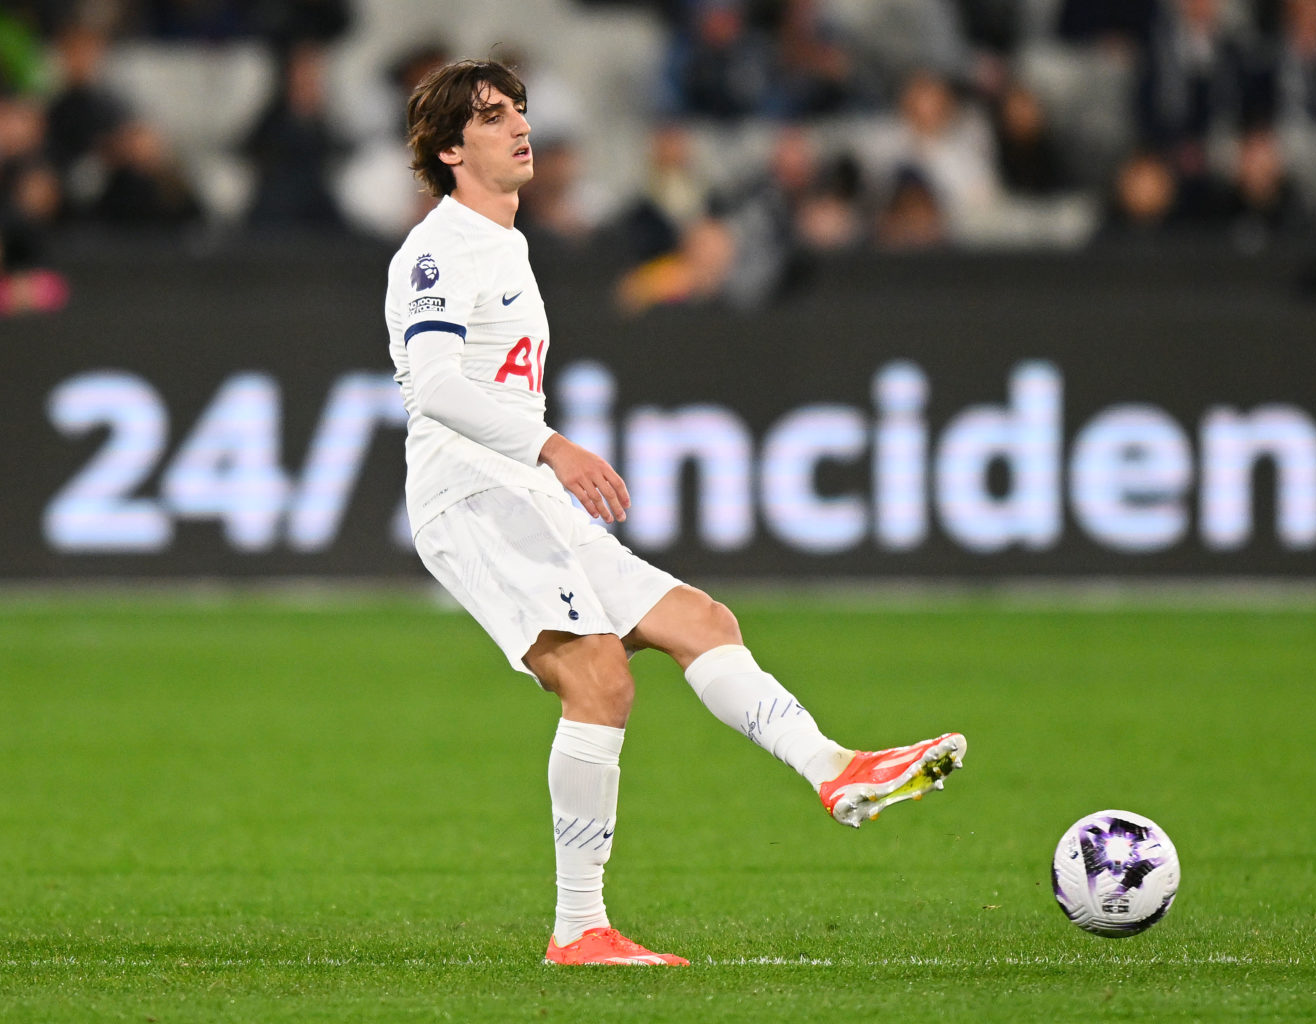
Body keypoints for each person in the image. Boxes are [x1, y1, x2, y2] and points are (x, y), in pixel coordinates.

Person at [384, 58, 967, 967]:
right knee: (600, 677)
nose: (519, 127)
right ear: (452, 148)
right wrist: (551, 444)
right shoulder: (437, 248)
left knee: (701, 620)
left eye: (520, 110)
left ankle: (835, 771)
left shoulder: (504, 243)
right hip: (474, 491)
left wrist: (543, 458)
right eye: (493, 117)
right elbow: (431, 384)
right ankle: (580, 929)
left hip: (523, 488)